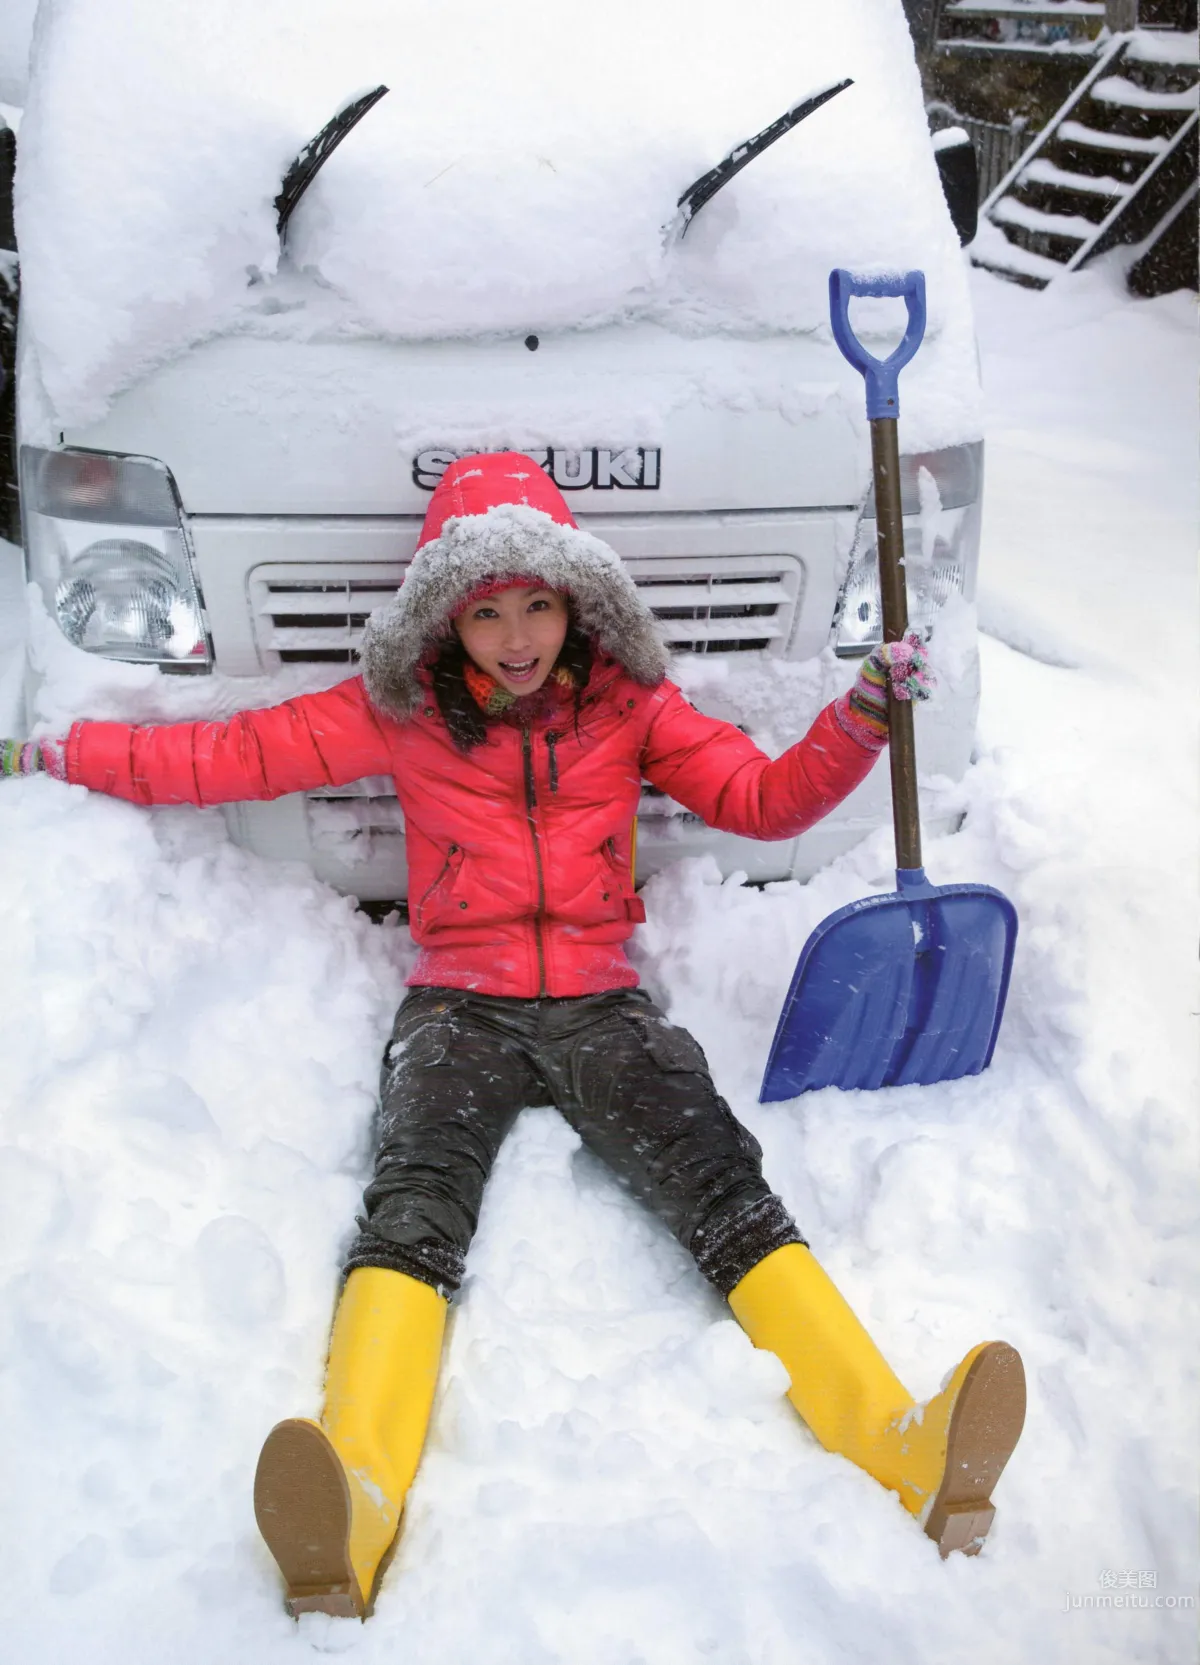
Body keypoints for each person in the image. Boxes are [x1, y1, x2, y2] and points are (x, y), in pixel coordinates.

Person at [3, 453, 1024, 1617]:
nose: (517, 633)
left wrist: (862, 719)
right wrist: (63, 751)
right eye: (486, 610)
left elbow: (762, 799)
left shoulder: (632, 707)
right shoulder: (402, 714)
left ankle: (898, 1443)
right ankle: (360, 1495)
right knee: (416, 1198)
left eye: (537, 602)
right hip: (461, 1003)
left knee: (720, 1181)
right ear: (448, 617)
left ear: (578, 602)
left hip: (600, 998)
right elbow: (228, 755)